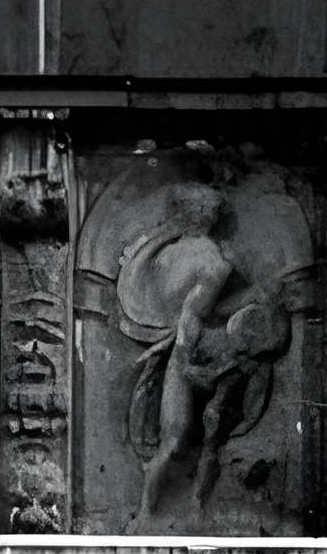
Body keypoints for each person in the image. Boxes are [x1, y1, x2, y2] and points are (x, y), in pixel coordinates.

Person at [117, 184, 294, 529]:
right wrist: (182, 361)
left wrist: (252, 300)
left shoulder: (211, 263)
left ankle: (197, 507)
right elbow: (193, 317)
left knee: (211, 437)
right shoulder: (206, 261)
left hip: (221, 357)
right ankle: (145, 514)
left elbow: (199, 315)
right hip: (189, 357)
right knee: (174, 440)